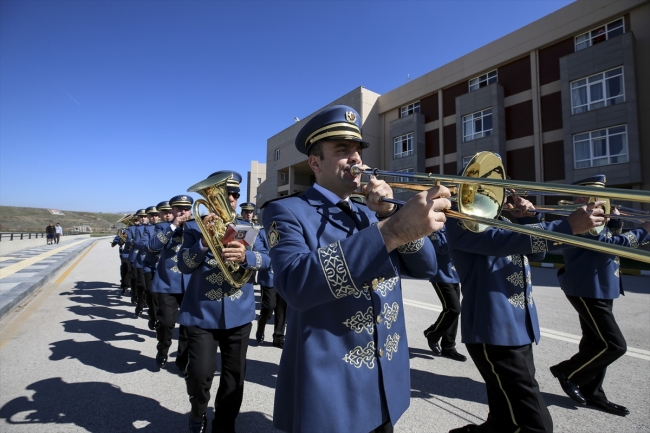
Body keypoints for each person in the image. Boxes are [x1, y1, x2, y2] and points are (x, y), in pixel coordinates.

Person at [261, 105, 450, 433]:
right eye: (342, 150)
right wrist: (389, 232)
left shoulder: (372, 213)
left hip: (384, 379)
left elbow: (427, 267)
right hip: (333, 385)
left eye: (358, 151)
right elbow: (295, 284)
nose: (356, 160)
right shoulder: (287, 211)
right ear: (315, 163)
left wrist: (390, 217)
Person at [445, 189, 607, 433]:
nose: (499, 193)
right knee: (538, 425)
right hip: (493, 329)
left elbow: (537, 252)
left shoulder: (502, 220)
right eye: (487, 187)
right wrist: (566, 226)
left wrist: (527, 220)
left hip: (519, 326)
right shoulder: (461, 220)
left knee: (505, 419)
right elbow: (505, 242)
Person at [177, 171, 271, 433]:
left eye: (235, 194)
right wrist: (203, 243)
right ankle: (198, 411)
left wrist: (247, 257)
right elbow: (184, 265)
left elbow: (268, 259)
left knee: (234, 377)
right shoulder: (194, 227)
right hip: (201, 313)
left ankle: (225, 425)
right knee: (199, 374)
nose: (231, 198)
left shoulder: (249, 227)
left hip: (239, 312)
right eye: (226, 193)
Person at [549, 175, 650, 417]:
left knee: (595, 342)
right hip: (587, 287)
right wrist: (645, 231)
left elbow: (606, 240)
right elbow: (610, 244)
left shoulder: (594, 217)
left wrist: (615, 221)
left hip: (602, 285)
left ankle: (593, 392)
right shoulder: (582, 218)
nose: (601, 201)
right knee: (614, 345)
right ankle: (568, 372)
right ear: (580, 198)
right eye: (594, 196)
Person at [149, 196, 193, 371]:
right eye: (179, 209)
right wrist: (174, 225)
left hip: (190, 284)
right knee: (166, 323)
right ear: (173, 211)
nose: (183, 212)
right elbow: (154, 245)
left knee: (188, 326)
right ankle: (163, 349)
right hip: (167, 283)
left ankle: (183, 360)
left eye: (186, 209)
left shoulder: (195, 227)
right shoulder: (163, 227)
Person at [423, 226, 466, 362]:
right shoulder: (434, 230)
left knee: (454, 313)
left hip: (454, 275)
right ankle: (432, 334)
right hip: (440, 276)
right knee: (453, 309)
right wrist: (460, 238)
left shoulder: (454, 229)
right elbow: (441, 248)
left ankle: (448, 346)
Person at [254, 203, 286, 349]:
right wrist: (277, 256)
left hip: (283, 276)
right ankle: (261, 327)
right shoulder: (261, 233)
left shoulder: (286, 230)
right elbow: (259, 251)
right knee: (268, 307)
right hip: (269, 276)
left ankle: (278, 337)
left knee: (282, 309)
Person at [138, 205, 161, 327]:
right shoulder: (147, 229)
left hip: (166, 266)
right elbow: (142, 244)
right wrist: (153, 246)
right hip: (151, 265)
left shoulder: (171, 227)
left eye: (156, 215)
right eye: (151, 215)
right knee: (151, 292)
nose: (154, 217)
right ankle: (153, 317)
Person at [128, 209, 149, 309]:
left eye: (145, 216)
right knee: (138, 281)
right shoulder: (137, 229)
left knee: (149, 284)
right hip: (139, 257)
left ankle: (146, 301)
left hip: (151, 259)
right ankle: (138, 300)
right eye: (141, 217)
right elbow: (136, 242)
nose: (143, 219)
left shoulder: (156, 227)